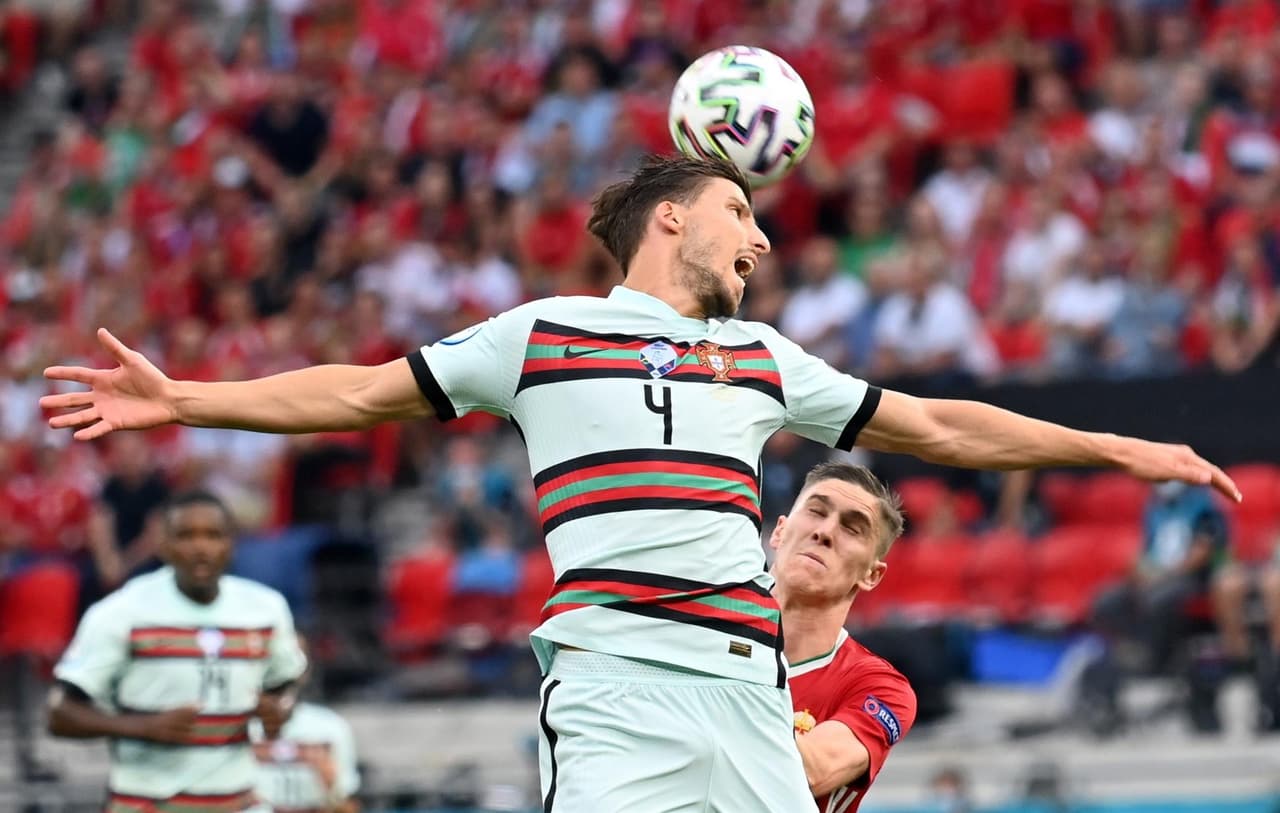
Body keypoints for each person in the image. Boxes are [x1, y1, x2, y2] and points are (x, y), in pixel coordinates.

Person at [41, 154, 1239, 812]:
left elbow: (932, 423)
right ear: (669, 223)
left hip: (749, 692)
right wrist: (187, 398)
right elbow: (354, 395)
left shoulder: (761, 358)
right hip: (622, 678)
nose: (759, 241)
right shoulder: (540, 333)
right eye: (738, 215)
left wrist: (1119, 450)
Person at [47, 491, 307, 812]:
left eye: (214, 536)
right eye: (186, 536)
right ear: (163, 545)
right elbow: (60, 714)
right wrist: (143, 727)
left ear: (232, 544)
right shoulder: (121, 612)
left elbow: (288, 679)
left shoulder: (266, 608)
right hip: (146, 803)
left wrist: (281, 707)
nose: (201, 548)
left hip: (237, 802)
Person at [771, 462, 915, 813]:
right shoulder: (698, 625)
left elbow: (809, 771)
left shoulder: (880, 688)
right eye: (816, 511)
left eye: (853, 529)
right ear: (779, 532)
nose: (825, 532)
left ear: (872, 575)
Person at [252, 635, 361, 813]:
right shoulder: (234, 727)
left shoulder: (330, 727)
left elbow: (347, 805)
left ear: (306, 669)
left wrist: (332, 791)